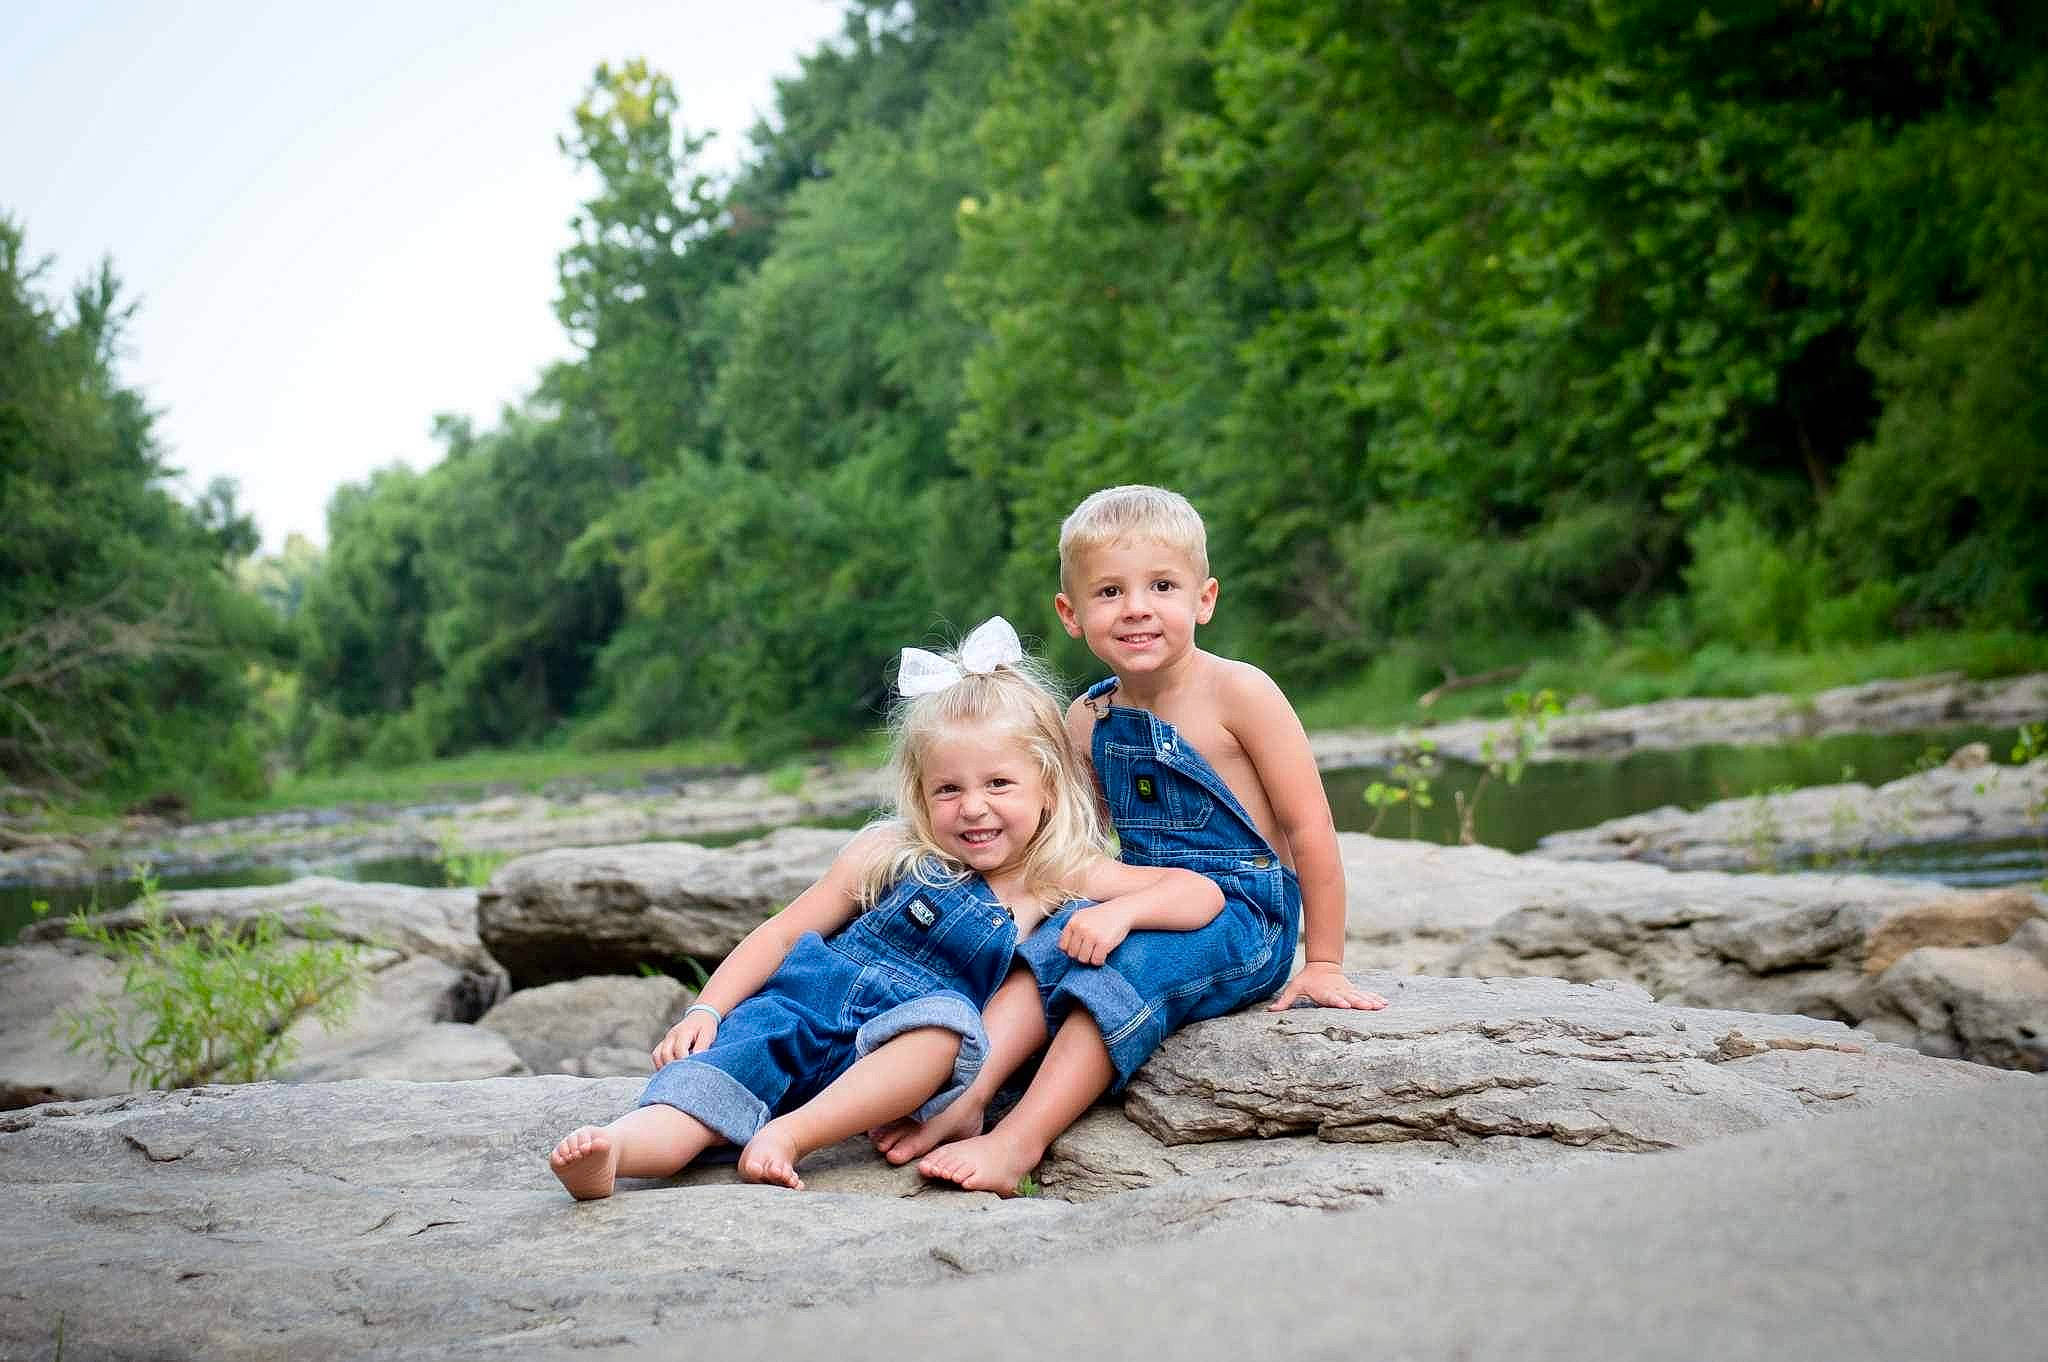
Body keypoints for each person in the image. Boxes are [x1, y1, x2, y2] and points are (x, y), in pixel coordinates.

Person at [548, 616, 1224, 1199]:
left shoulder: (1059, 875)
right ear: (920, 790)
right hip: (798, 1009)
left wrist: (1121, 915)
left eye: (998, 783)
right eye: (949, 789)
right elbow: (785, 932)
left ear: (1048, 785)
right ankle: (615, 1152)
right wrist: (707, 1008)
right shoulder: (889, 850)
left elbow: (1200, 893)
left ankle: (793, 1133)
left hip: (888, 1060)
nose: (974, 807)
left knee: (947, 1032)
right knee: (696, 1099)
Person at [875, 486, 1389, 1194]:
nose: (1137, 607)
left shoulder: (1242, 695)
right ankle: (968, 1096)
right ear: (1072, 614)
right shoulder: (1089, 717)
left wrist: (1324, 961)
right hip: (1139, 891)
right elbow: (1069, 837)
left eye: (1162, 586)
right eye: (1110, 591)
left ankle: (1019, 1141)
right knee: (1041, 953)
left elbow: (1310, 831)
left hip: (1243, 914)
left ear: (1203, 599)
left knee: (1120, 970)